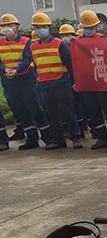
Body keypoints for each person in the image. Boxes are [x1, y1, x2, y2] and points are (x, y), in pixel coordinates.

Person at [0, 13, 54, 150]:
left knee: (36, 109)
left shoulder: (27, 42)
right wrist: (4, 69)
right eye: (3, 26)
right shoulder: (0, 43)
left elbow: (28, 58)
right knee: (20, 111)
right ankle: (31, 139)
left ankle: (49, 138)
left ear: (17, 26)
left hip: (25, 80)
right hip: (9, 82)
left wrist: (16, 70)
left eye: (9, 25)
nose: (6, 28)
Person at [30, 12, 82, 149]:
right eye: (37, 27)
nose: (40, 30)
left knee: (68, 113)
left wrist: (74, 82)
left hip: (61, 84)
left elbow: (70, 64)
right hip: (44, 85)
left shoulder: (59, 44)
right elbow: (36, 65)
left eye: (43, 27)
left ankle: (75, 137)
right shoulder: (33, 47)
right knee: (52, 115)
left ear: (49, 27)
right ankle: (58, 140)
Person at [78, 10, 107, 149]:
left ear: (96, 26)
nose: (88, 29)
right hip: (89, 83)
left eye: (91, 27)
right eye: (86, 27)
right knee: (93, 111)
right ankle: (102, 137)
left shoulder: (103, 39)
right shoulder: (78, 42)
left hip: (104, 81)